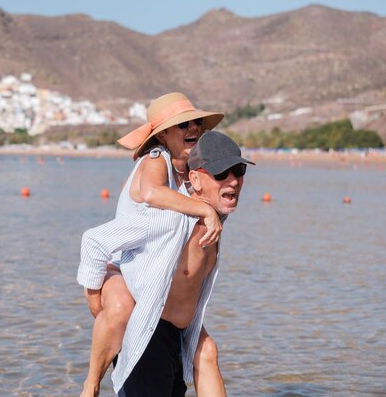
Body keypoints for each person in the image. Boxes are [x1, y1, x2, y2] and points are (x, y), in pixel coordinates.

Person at [78, 131, 254, 396]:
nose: (233, 181)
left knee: (207, 352)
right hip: (149, 338)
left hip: (179, 337)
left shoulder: (216, 220)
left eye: (238, 170)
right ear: (194, 179)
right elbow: (93, 241)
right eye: (221, 174)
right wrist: (96, 305)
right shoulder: (168, 219)